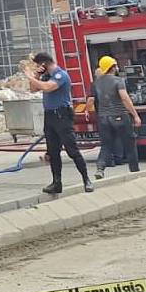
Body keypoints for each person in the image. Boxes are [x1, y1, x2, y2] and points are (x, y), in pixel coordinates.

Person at [25, 52, 93, 193]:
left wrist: (29, 76)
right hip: (49, 116)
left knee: (71, 150)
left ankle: (86, 179)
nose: (38, 67)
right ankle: (57, 183)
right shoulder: (45, 76)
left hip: (62, 116)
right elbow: (33, 89)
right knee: (53, 152)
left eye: (38, 65)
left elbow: (48, 87)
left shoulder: (60, 75)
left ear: (44, 63)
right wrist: (36, 76)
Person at [84, 55, 142, 178]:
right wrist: (135, 115)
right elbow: (125, 98)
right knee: (129, 143)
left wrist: (87, 111)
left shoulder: (96, 83)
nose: (116, 67)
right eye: (115, 65)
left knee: (106, 145)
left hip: (104, 118)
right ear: (112, 67)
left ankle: (100, 168)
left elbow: (91, 100)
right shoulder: (117, 81)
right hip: (120, 115)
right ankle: (135, 170)